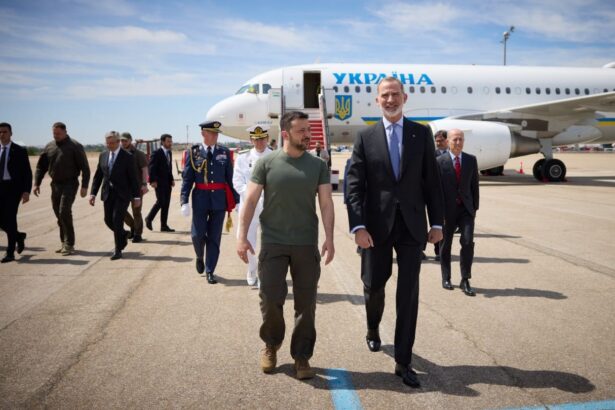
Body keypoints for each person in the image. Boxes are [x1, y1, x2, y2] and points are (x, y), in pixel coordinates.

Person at [346, 77, 443, 388]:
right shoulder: (365, 137)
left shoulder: (421, 133)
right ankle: (373, 326)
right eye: (384, 96)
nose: (390, 100)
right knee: (374, 284)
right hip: (375, 227)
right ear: (377, 100)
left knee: (408, 294)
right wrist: (358, 226)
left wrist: (437, 223)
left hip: (412, 225)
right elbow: (353, 186)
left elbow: (432, 181)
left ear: (405, 97)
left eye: (395, 95)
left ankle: (404, 361)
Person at [237, 111, 334, 380]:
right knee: (269, 298)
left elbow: (326, 203)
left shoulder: (318, 165)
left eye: (308, 129)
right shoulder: (266, 164)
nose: (307, 133)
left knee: (306, 304)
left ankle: (302, 356)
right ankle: (271, 344)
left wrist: (330, 237)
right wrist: (242, 237)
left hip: (305, 243)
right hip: (273, 242)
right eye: (301, 130)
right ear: (286, 134)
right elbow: (251, 201)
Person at [181, 121, 239, 284]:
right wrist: (184, 200)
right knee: (197, 234)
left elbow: (230, 178)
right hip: (200, 198)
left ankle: (210, 270)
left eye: (216, 133)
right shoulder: (193, 152)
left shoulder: (224, 152)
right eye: (211, 133)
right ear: (203, 134)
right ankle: (200, 255)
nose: (215, 136)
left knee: (214, 237)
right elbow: (187, 178)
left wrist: (237, 200)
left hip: (219, 200)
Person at [33, 122, 90, 255]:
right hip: (55, 184)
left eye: (58, 133)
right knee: (58, 214)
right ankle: (64, 241)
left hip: (70, 183)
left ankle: (69, 244)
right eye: (54, 133)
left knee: (64, 211)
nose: (56, 136)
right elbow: (41, 167)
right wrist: (37, 183)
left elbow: (85, 168)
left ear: (65, 132)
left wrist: (84, 186)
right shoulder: (49, 146)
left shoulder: (75, 146)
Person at [437, 129, 479, 296]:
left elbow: (474, 186)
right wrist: (438, 213)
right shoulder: (440, 161)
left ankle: (465, 279)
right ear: (448, 142)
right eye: (455, 139)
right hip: (447, 211)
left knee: (467, 242)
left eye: (461, 139)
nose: (458, 142)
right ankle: (446, 277)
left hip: (466, 210)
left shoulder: (470, 160)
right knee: (445, 244)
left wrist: (474, 208)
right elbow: (436, 190)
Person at [89, 131, 140, 260]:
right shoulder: (103, 155)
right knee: (108, 220)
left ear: (118, 142)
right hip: (107, 193)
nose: (109, 145)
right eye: (107, 143)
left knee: (117, 220)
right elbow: (98, 176)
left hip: (122, 194)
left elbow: (133, 179)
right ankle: (123, 234)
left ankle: (118, 250)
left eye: (112, 143)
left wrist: (136, 197)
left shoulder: (127, 157)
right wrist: (93, 193)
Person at [232, 125, 272, 286]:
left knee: (269, 242)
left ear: (267, 138)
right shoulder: (243, 158)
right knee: (247, 239)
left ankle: (264, 273)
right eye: (256, 139)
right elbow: (237, 181)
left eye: (262, 139)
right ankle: (252, 268)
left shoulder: (276, 156)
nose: (259, 142)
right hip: (249, 206)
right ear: (250, 140)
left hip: (270, 205)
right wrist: (250, 196)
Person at [0, 123, 32, 263]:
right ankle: (19, 236)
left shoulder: (19, 150)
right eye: (0, 132)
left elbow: (27, 173)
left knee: (10, 219)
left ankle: (10, 252)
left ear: (11, 133)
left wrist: (26, 191)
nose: (2, 134)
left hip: (13, 190)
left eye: (5, 132)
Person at [120, 132, 149, 243]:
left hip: (136, 188)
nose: (123, 143)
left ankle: (137, 234)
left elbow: (145, 170)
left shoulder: (138, 154)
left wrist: (144, 184)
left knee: (136, 211)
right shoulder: (119, 153)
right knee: (120, 210)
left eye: (125, 141)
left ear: (130, 140)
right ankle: (133, 226)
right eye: (121, 141)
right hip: (123, 188)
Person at [145, 134, 175, 232]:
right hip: (159, 182)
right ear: (162, 142)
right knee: (160, 201)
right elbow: (151, 167)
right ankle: (149, 218)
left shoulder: (169, 153)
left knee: (166, 204)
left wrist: (172, 179)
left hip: (167, 182)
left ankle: (164, 225)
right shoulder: (156, 153)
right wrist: (152, 181)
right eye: (168, 141)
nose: (170, 143)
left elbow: (169, 168)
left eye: (171, 141)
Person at [432, 129, 449, 261]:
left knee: (445, 226)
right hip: (435, 194)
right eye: (436, 141)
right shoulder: (432, 155)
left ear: (447, 141)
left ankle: (442, 251)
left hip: (449, 195)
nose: (438, 143)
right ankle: (436, 251)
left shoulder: (452, 154)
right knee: (436, 223)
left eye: (441, 141)